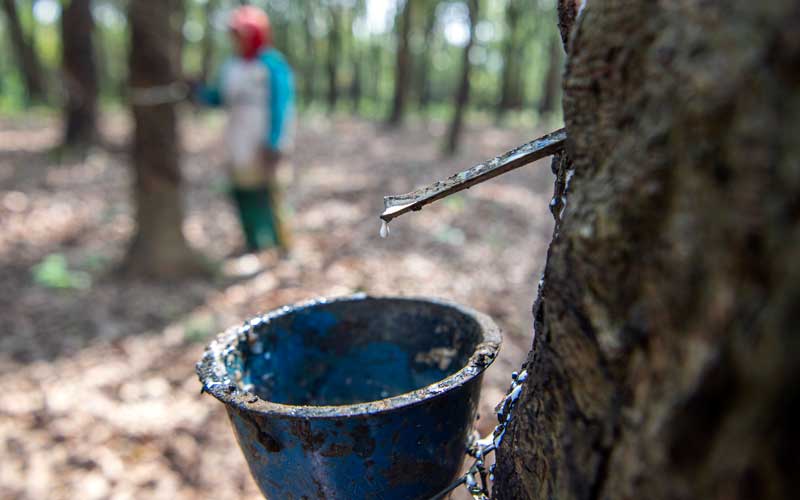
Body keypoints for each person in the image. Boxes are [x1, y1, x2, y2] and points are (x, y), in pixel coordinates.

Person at [197, 6, 295, 252]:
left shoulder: (272, 64)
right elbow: (219, 98)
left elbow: (281, 104)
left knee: (271, 193)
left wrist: (275, 140)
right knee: (242, 192)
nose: (237, 41)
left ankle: (282, 245)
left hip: (264, 141)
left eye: (241, 35)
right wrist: (198, 92)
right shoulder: (231, 66)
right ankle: (253, 241)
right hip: (237, 139)